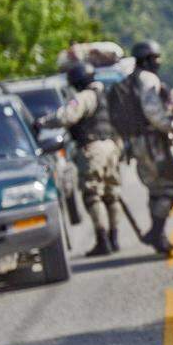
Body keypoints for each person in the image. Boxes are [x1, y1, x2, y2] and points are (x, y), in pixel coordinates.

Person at [36, 61, 122, 257]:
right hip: (112, 146)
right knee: (112, 194)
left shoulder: (84, 97)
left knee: (93, 194)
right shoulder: (107, 96)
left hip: (93, 148)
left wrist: (42, 123)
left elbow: (67, 117)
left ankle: (103, 240)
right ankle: (114, 238)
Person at [114, 39, 173, 254]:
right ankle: (156, 231)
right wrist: (171, 127)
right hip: (153, 144)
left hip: (136, 144)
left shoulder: (129, 81)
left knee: (155, 189)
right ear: (147, 59)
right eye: (156, 58)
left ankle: (159, 237)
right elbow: (153, 112)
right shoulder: (148, 79)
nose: (159, 62)